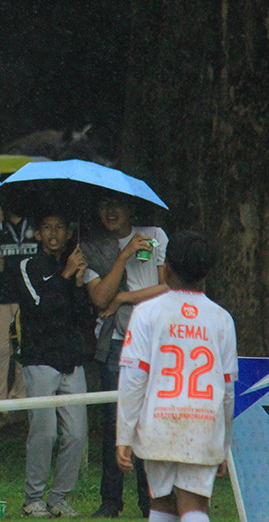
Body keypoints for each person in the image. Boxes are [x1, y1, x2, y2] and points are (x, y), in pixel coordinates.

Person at [116, 230, 236, 522]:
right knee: (195, 506)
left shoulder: (147, 312)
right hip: (203, 424)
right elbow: (228, 387)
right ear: (206, 272)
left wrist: (125, 433)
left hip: (158, 422)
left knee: (162, 504)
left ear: (166, 268)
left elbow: (133, 378)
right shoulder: (221, 318)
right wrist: (224, 442)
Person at [81, 193, 169, 519]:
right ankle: (110, 500)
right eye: (103, 205)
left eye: (117, 204)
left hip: (154, 342)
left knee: (148, 422)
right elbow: (101, 299)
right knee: (115, 423)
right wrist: (123, 256)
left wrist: (125, 298)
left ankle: (151, 502)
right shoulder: (93, 248)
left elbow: (168, 286)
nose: (111, 211)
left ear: (131, 207)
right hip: (117, 343)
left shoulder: (155, 235)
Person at [15, 211, 94, 519]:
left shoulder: (73, 266)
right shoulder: (27, 266)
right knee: (44, 433)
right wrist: (64, 277)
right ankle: (32, 499)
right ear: (37, 234)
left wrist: (76, 282)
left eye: (59, 227)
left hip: (72, 362)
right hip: (40, 361)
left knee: (76, 434)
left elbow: (83, 318)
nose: (53, 232)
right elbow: (39, 310)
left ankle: (59, 498)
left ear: (67, 233)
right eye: (47, 227)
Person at [0, 206, 37, 405]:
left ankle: (20, 400)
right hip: (1, 298)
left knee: (24, 351)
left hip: (28, 298)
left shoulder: (34, 223)